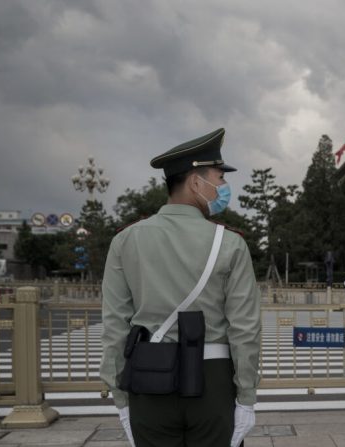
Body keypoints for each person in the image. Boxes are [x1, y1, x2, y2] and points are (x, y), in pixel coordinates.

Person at [100, 128, 261, 447]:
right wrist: (246, 397)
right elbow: (244, 329)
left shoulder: (126, 240)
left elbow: (115, 325)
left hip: (148, 378)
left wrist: (121, 401)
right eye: (220, 177)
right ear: (196, 182)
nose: (224, 187)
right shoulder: (229, 243)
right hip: (213, 380)